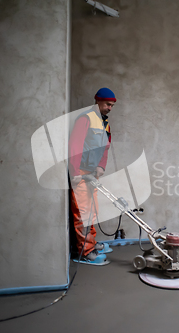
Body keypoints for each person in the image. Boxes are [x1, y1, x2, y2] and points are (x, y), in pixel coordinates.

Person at [68, 87, 115, 265]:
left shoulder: (105, 123)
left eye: (112, 105)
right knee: (83, 212)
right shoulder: (85, 119)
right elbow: (75, 146)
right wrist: (74, 173)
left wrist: (101, 166)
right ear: (98, 101)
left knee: (92, 211)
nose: (110, 108)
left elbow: (106, 147)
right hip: (80, 173)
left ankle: (91, 243)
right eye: (107, 104)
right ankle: (84, 251)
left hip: (92, 173)